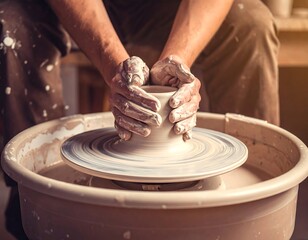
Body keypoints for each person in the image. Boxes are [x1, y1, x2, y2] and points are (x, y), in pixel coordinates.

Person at [0, 0, 279, 238]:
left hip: (166, 8)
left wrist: (177, 57)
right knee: (11, 28)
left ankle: (253, 198)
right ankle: (34, 203)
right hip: (69, 8)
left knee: (252, 24)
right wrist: (116, 66)